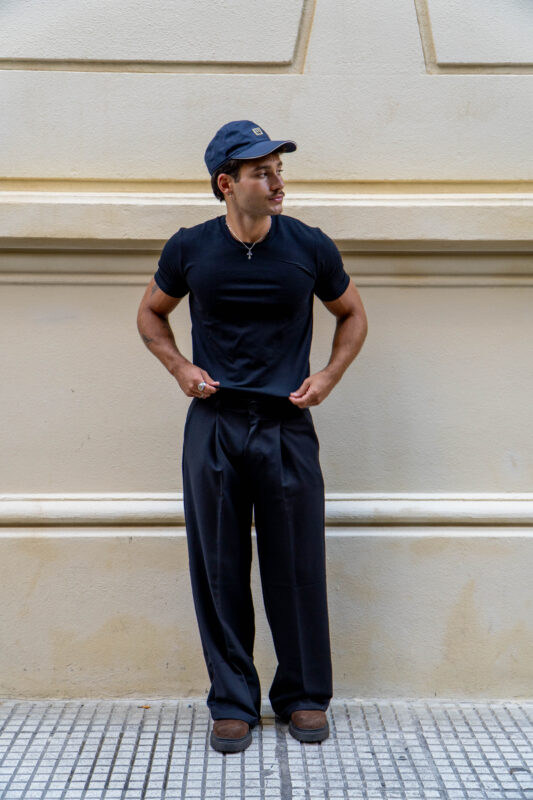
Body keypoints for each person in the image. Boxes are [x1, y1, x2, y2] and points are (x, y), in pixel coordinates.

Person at [137, 120, 368, 753]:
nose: (277, 182)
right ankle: (233, 700)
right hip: (214, 425)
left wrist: (328, 376)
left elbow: (352, 313)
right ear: (226, 183)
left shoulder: (309, 246)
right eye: (262, 173)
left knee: (297, 564)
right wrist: (180, 368)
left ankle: (303, 696)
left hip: (287, 425)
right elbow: (151, 313)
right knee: (219, 567)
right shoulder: (189, 248)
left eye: (279, 170)